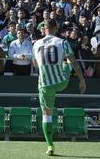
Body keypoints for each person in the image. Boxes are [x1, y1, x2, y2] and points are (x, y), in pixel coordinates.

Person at [32, 19, 86, 156]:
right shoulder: (62, 42)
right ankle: (63, 68)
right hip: (62, 81)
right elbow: (74, 62)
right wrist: (82, 80)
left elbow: (35, 65)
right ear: (55, 28)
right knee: (67, 63)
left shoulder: (36, 44)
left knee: (46, 115)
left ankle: (50, 145)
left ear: (44, 29)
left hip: (45, 84)